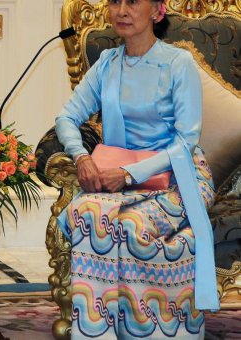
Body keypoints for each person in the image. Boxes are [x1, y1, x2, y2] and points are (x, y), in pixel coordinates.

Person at [54, 0, 219, 338]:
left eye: (132, 2)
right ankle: (95, 330)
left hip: (178, 175)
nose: (122, 11)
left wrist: (131, 174)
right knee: (87, 214)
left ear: (157, 11)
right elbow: (66, 118)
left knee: (129, 226)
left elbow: (186, 140)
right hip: (117, 178)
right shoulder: (107, 64)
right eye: (114, 2)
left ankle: (149, 330)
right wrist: (81, 157)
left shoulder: (178, 63)